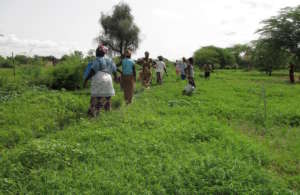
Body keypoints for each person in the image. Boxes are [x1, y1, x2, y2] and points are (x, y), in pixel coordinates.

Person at [84, 45, 118, 117]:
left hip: (99, 77)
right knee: (107, 96)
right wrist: (116, 78)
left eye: (97, 51)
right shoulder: (110, 60)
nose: (96, 52)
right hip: (108, 79)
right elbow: (115, 70)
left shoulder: (98, 59)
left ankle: (93, 114)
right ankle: (107, 113)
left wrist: (86, 80)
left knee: (96, 97)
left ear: (99, 52)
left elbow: (93, 70)